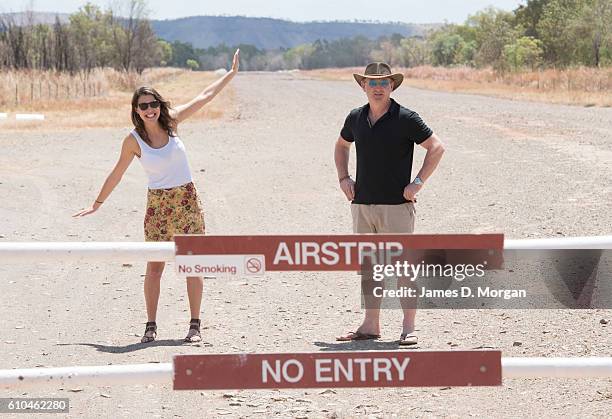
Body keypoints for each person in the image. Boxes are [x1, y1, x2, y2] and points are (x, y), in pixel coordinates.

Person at [73, 50, 240, 343]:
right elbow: (116, 173)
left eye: (153, 104)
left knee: (193, 264)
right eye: (143, 106)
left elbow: (205, 97)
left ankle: (195, 325)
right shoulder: (133, 140)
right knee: (154, 267)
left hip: (187, 202)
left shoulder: (172, 122)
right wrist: (96, 204)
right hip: (159, 206)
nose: (149, 109)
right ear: (136, 110)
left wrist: (231, 73)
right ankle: (150, 326)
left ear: (159, 106)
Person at [334, 62, 445, 345]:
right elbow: (341, 145)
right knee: (370, 267)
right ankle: (371, 325)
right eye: (372, 83)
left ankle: (409, 328)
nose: (378, 88)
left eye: (384, 83)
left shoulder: (405, 118)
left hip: (397, 206)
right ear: (363, 86)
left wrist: (418, 182)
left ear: (392, 86)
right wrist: (343, 176)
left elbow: (436, 147)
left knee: (402, 269)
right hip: (362, 205)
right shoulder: (355, 118)